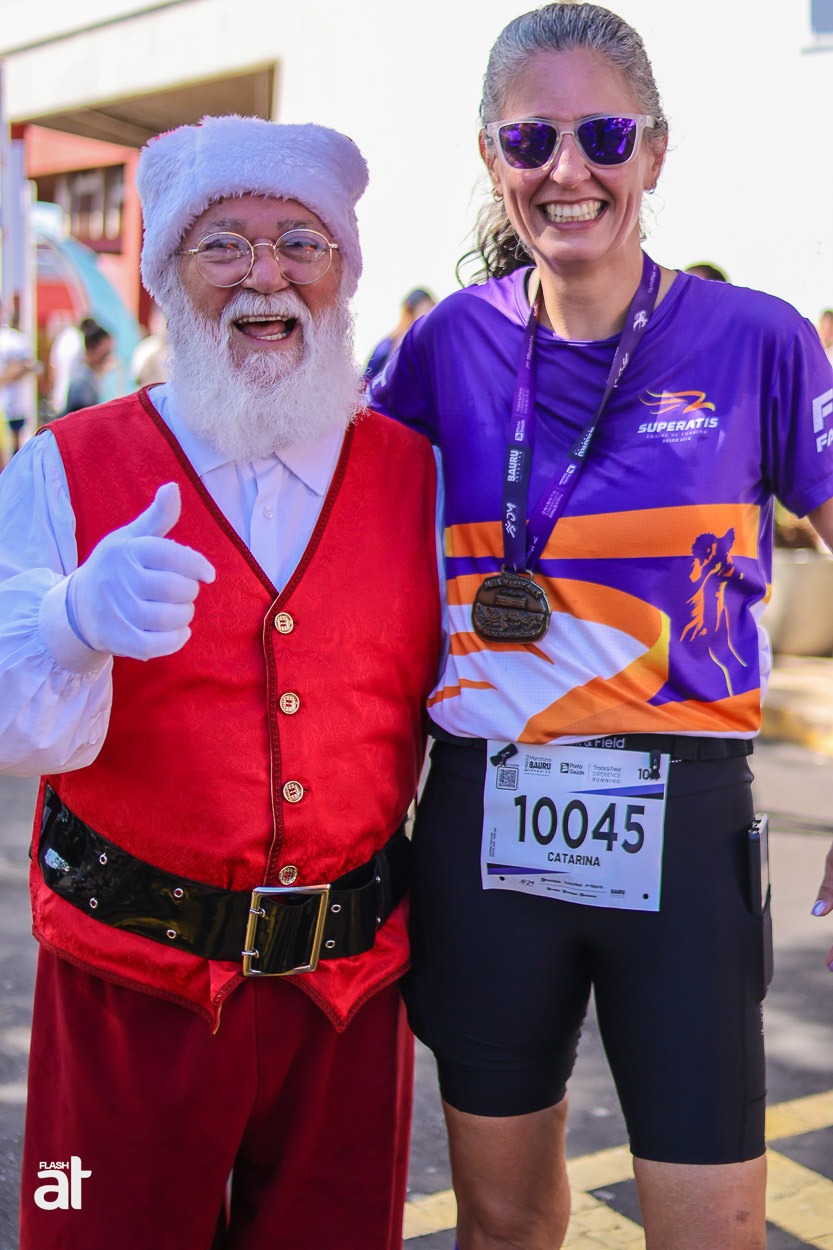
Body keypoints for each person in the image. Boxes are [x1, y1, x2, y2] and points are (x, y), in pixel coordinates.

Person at [367, 6, 833, 1249]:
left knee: (709, 1228)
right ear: (490, 157)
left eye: (603, 135)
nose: (565, 169)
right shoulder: (440, 346)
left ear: (655, 149)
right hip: (486, 819)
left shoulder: (758, 340)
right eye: (530, 139)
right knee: (501, 1222)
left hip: (680, 829)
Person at [0, 114, 441, 1250]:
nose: (265, 274)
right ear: (163, 277)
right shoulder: (62, 463)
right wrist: (69, 621)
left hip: (346, 998)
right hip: (125, 991)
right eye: (223, 244)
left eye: (300, 241)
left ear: (343, 271)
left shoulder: (419, 476)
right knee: (84, 1230)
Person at [363, 286, 436, 381]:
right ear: (409, 310)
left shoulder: (430, 344)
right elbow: (366, 380)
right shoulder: (389, 345)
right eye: (425, 311)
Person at [0, 314, 37, 463]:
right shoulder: (12, 340)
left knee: (13, 448)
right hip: (9, 403)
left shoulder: (14, 340)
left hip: (13, 403)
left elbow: (25, 366)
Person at [61, 320, 114, 415]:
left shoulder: (91, 377)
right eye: (104, 355)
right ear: (90, 348)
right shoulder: (82, 381)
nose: (107, 359)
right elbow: (81, 417)